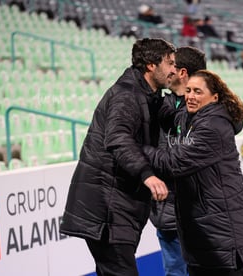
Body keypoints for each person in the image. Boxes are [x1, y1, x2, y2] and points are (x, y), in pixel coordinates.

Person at [59, 38, 176, 276]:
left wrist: (182, 92)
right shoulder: (126, 94)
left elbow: (173, 118)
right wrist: (147, 175)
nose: (174, 69)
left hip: (118, 207)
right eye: (170, 63)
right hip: (105, 208)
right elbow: (118, 138)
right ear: (151, 65)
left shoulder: (151, 96)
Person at [144, 70, 243, 276]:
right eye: (188, 91)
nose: (191, 96)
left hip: (221, 241)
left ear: (214, 97)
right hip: (204, 238)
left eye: (197, 91)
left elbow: (172, 162)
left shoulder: (213, 126)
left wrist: (137, 148)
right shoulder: (193, 118)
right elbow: (171, 117)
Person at [150, 46, 207, 276]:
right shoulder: (156, 103)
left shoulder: (208, 108)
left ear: (181, 72)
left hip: (201, 211)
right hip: (168, 211)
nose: (167, 69)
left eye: (171, 64)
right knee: (175, 271)